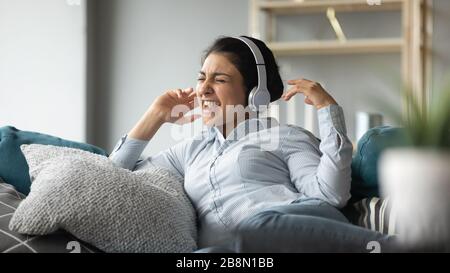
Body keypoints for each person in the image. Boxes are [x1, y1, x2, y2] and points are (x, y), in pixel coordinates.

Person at [109, 36, 395, 252]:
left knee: (252, 228)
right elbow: (113, 174)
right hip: (239, 250)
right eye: (201, 78)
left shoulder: (284, 136)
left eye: (219, 79)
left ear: (255, 94)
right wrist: (156, 115)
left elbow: (330, 195)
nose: (204, 88)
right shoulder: (190, 150)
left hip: (294, 226)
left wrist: (327, 111)